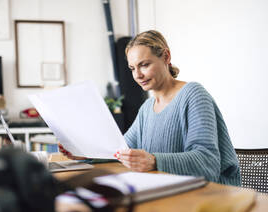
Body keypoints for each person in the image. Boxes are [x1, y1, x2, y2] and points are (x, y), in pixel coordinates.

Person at [60, 30, 241, 186]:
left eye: (144, 65)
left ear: (166, 57)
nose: (137, 75)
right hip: (169, 191)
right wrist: (84, 153)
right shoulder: (147, 108)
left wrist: (154, 161)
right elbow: (121, 149)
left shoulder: (193, 94)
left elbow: (207, 162)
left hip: (210, 198)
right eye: (132, 68)